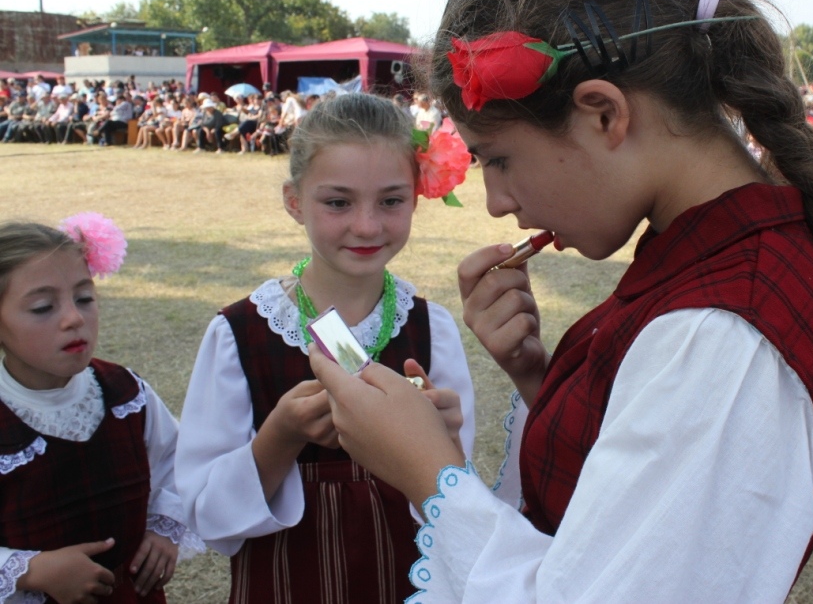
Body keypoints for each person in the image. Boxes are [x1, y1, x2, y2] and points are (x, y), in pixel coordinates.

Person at [309, 0, 813, 602]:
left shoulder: (724, 340)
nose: (497, 202)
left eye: (499, 159)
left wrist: (432, 471)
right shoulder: (704, 263)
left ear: (603, 114)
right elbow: (634, 496)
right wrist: (541, 378)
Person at [176, 93, 476, 602]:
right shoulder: (239, 333)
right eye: (338, 202)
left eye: (391, 200)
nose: (367, 225)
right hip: (287, 581)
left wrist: (440, 442)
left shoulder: (432, 329)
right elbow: (207, 514)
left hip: (410, 581)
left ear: (417, 196)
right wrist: (279, 437)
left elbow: (455, 503)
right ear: (295, 201)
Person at [0, 214, 202, 602]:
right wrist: (30, 570)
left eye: (84, 298)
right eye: (43, 307)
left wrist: (165, 526)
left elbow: (177, 461)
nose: (74, 318)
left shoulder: (126, 393)